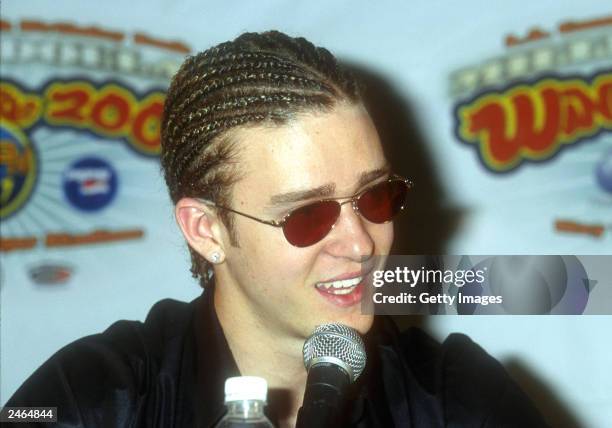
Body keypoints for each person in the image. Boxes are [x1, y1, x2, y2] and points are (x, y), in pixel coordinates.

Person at [5, 31, 548, 427]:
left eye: (375, 197)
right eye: (307, 216)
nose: (359, 242)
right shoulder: (96, 398)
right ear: (206, 229)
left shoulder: (454, 398)